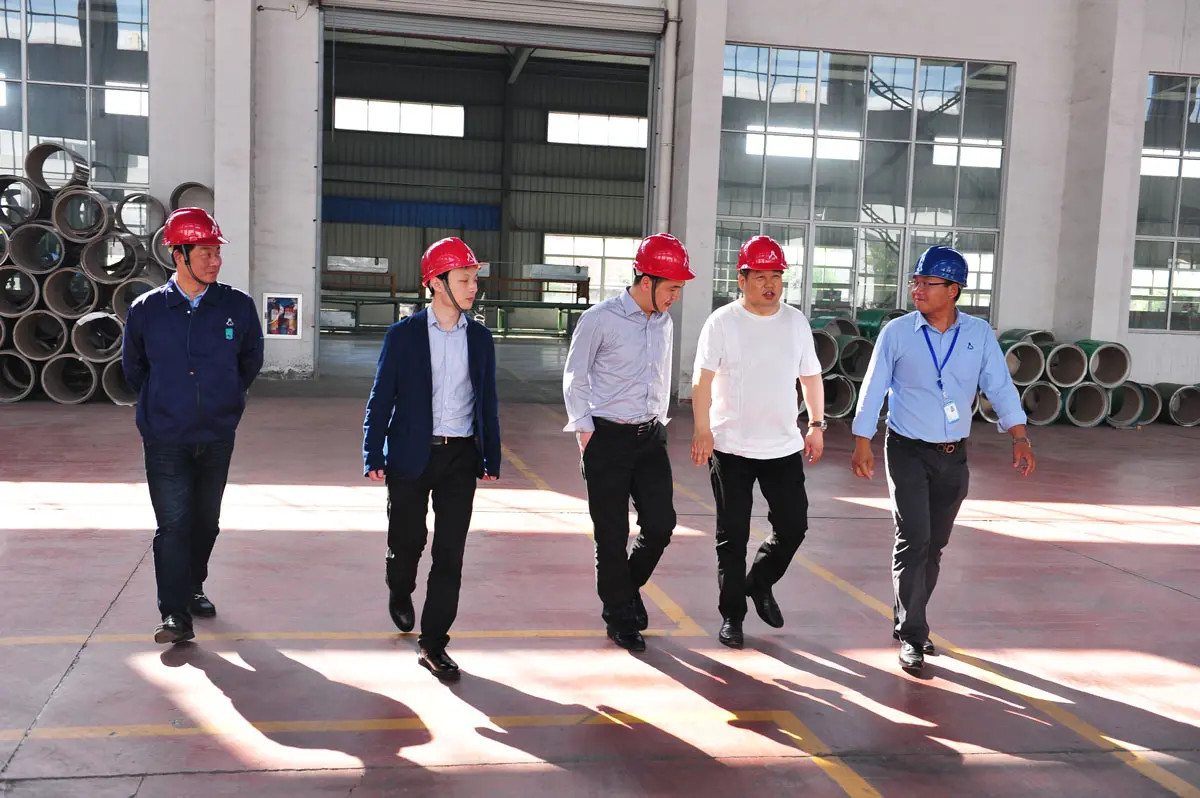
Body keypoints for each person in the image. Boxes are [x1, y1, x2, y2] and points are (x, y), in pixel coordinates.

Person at [851, 245, 1036, 672]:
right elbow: (874, 386)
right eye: (914, 282)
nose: (917, 289)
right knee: (913, 539)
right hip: (906, 449)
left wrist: (1020, 436)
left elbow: (999, 386)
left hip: (954, 456)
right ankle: (913, 634)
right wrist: (862, 439)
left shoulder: (978, 334)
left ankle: (907, 617)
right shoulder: (897, 333)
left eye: (927, 283)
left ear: (953, 290)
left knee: (935, 546)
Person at [121, 207, 264, 645]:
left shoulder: (236, 306)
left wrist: (225, 399)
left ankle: (192, 585)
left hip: (216, 435)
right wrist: (166, 401)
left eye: (217, 252)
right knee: (173, 525)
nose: (215, 261)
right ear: (178, 254)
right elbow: (134, 368)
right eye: (205, 253)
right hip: (166, 437)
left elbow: (250, 361)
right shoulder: (147, 309)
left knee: (206, 523)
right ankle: (174, 614)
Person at [363, 237, 501, 681]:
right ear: (437, 283)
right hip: (410, 452)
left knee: (450, 552)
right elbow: (381, 396)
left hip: (460, 455)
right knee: (408, 541)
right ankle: (399, 586)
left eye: (474, 279)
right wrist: (372, 451)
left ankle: (434, 642)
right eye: (464, 279)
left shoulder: (480, 338)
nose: (473, 287)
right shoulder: (403, 336)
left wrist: (491, 455)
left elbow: (487, 400)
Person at [689, 235, 827, 649]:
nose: (770, 284)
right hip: (730, 446)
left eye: (776, 276)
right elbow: (702, 380)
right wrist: (702, 428)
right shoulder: (722, 322)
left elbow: (810, 376)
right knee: (731, 537)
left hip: (782, 447)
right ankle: (732, 616)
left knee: (793, 526)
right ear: (742, 279)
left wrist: (816, 424)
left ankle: (759, 581)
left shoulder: (795, 322)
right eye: (761, 276)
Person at [562, 232, 694, 653]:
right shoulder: (599, 319)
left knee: (660, 525)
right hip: (607, 439)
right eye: (672, 288)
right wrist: (585, 431)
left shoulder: (664, 321)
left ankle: (623, 589)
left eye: (679, 289)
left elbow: (659, 376)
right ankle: (619, 617)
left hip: (650, 438)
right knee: (611, 534)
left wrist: (660, 420)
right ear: (646, 281)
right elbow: (575, 376)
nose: (675, 297)